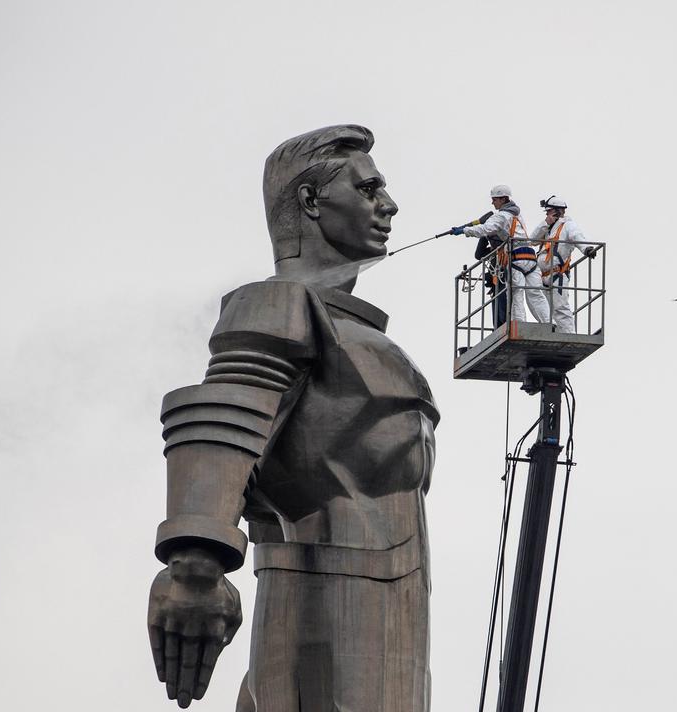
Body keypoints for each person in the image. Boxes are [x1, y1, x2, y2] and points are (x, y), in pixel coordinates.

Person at [147, 125, 439, 712]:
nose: (389, 204)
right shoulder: (280, 302)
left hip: (389, 615)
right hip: (328, 612)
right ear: (310, 202)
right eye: (368, 188)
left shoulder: (354, 331)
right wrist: (197, 564)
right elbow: (225, 411)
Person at [451, 185, 550, 326]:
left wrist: (464, 230)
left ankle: (519, 325)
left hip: (517, 259)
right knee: (536, 294)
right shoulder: (517, 214)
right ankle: (547, 324)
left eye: (495, 200)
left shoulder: (501, 216)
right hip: (530, 257)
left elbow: (485, 229)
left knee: (516, 294)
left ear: (503, 199)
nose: (493, 203)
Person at [530, 195, 597, 333]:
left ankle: (569, 335)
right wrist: (545, 223)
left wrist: (587, 249)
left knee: (560, 308)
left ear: (556, 211)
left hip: (557, 275)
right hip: (542, 277)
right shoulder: (548, 229)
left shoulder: (568, 225)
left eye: (548, 211)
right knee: (542, 307)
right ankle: (551, 331)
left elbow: (577, 236)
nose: (547, 214)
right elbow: (532, 240)